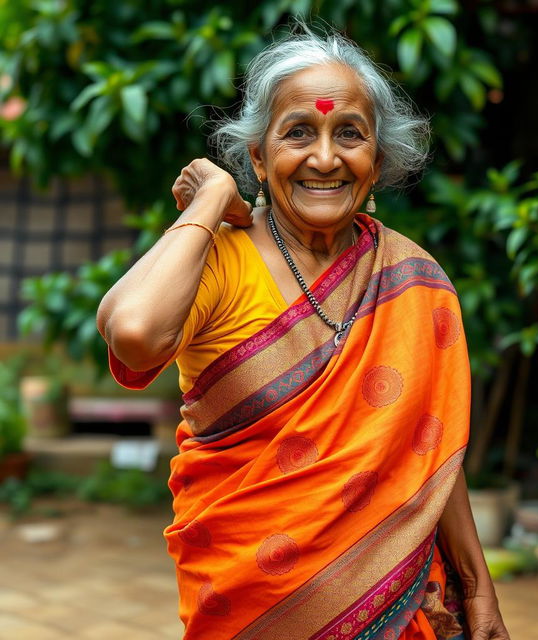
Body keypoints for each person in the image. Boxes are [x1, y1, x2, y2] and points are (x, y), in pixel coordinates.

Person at [97, 26, 510, 640]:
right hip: (250, 604)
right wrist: (209, 202)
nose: (324, 158)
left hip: (397, 610)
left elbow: (429, 452)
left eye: (349, 133)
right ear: (259, 158)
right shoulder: (221, 258)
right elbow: (132, 334)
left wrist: (478, 587)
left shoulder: (412, 278)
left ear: (377, 159)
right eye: (298, 133)